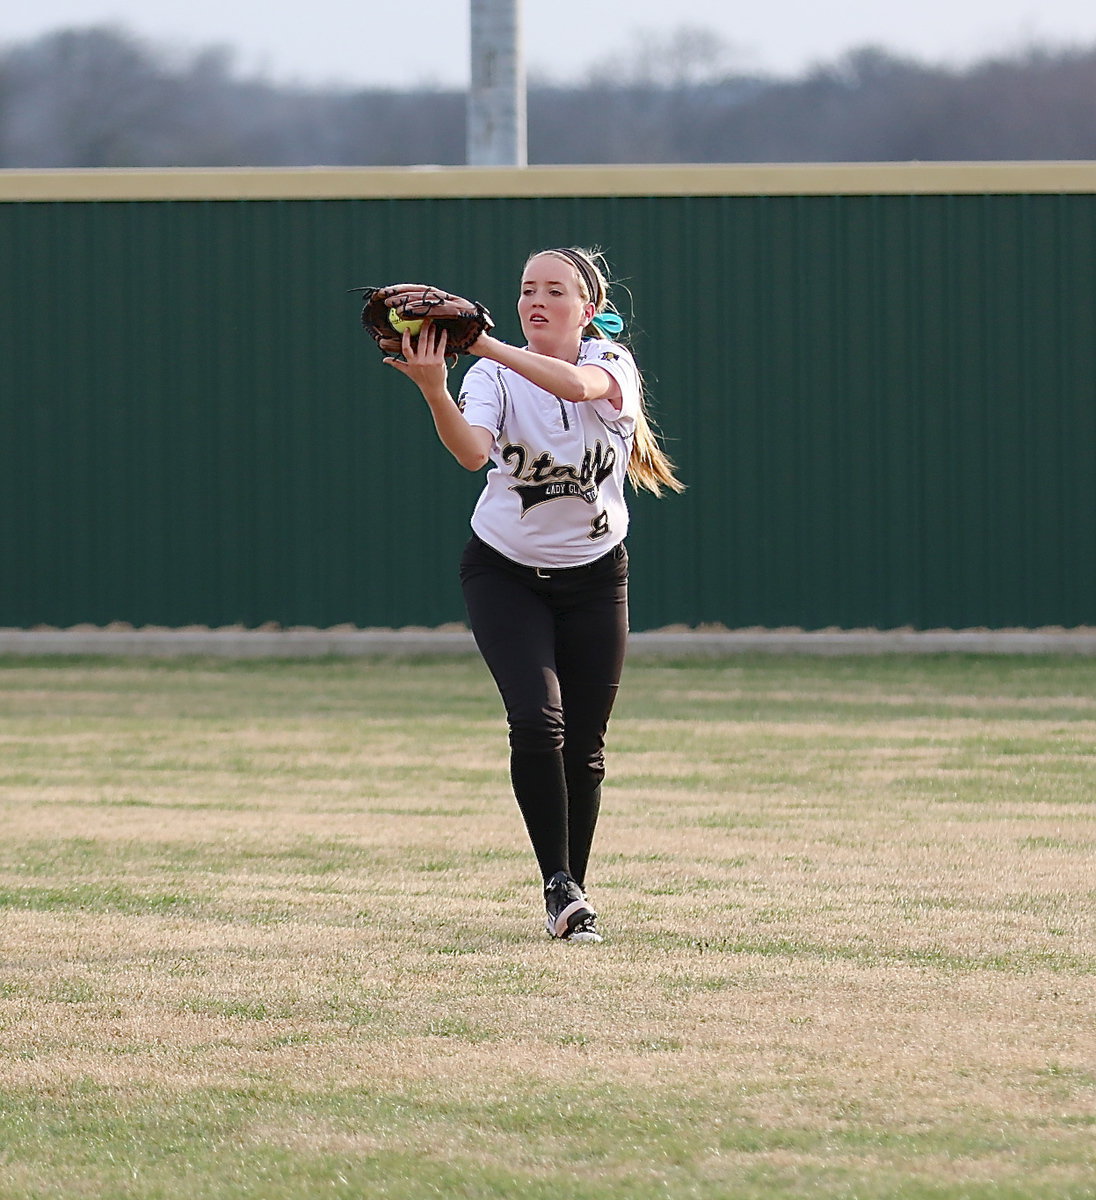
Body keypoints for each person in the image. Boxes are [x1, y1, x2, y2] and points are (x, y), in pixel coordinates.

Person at [384, 246, 683, 942]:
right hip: (504, 572)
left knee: (585, 747)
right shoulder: (491, 373)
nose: (536, 300)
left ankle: (569, 895)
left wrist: (481, 339)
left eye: (555, 290)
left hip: (596, 578)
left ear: (588, 309)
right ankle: (560, 886)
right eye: (526, 289)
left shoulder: (611, 365)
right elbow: (468, 452)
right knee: (538, 723)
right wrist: (434, 386)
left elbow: (576, 388)